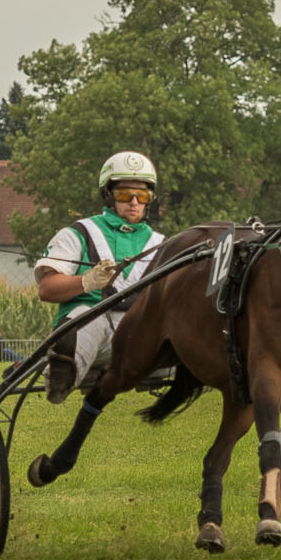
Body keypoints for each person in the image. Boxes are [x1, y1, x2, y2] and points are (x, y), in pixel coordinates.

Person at [34, 151, 164, 402]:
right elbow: (46, 289)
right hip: (91, 321)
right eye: (125, 195)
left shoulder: (161, 244)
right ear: (108, 195)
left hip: (139, 333)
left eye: (143, 195)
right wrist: (87, 281)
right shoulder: (79, 233)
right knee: (86, 318)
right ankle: (63, 373)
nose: (134, 202)